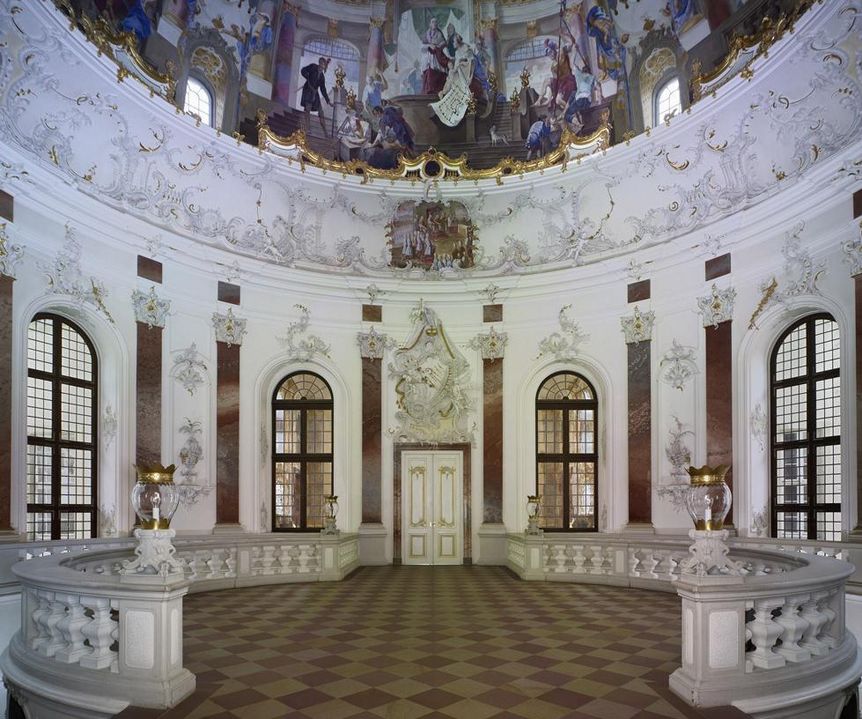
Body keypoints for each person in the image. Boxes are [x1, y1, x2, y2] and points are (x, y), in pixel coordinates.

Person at [300, 56, 332, 138]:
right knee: (307, 110)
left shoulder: (322, 76)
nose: (323, 68)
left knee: (321, 112)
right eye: (322, 65)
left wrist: (328, 101)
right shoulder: (313, 67)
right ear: (320, 64)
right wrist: (307, 76)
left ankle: (325, 133)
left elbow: (323, 89)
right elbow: (303, 70)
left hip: (315, 93)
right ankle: (308, 129)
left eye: (324, 66)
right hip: (308, 90)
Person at [422, 18, 449, 95]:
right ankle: (429, 89)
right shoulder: (427, 33)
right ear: (430, 24)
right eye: (433, 22)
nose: (434, 24)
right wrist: (429, 45)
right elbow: (422, 44)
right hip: (429, 55)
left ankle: (437, 89)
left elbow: (444, 42)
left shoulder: (439, 33)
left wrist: (437, 47)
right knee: (428, 70)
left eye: (435, 22)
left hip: (437, 55)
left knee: (437, 70)